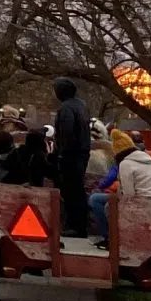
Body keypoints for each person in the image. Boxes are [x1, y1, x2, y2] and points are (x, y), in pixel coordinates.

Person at [89, 128, 151, 245]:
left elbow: (128, 196)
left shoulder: (126, 164)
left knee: (96, 200)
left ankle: (110, 238)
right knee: (100, 199)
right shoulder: (148, 159)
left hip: (141, 202)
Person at [50, 79, 93, 243]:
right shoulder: (81, 106)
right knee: (77, 189)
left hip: (71, 154)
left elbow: (66, 132)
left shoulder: (66, 108)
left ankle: (75, 227)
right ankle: (78, 225)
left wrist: (60, 153)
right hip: (82, 153)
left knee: (71, 191)